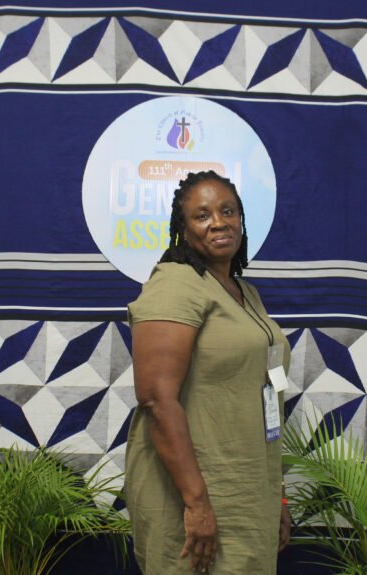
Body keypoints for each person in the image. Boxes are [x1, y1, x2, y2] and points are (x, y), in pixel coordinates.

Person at [124, 171, 291, 574]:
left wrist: (278, 496)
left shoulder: (244, 292)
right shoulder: (175, 283)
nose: (219, 222)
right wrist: (197, 504)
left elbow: (263, 394)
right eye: (202, 215)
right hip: (194, 493)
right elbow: (156, 399)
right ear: (182, 230)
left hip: (247, 490)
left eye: (228, 211)